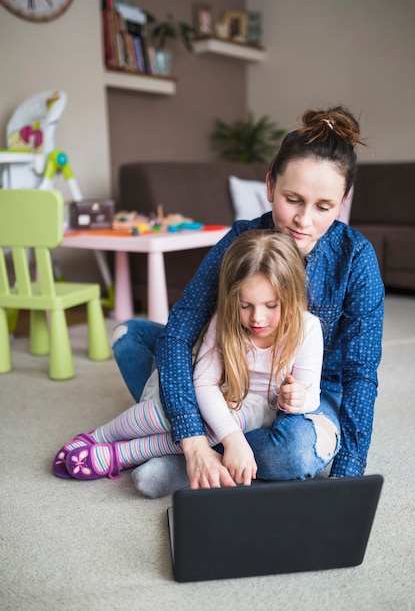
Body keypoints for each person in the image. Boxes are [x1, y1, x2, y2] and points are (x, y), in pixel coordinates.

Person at [112, 105, 385, 497]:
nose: (303, 220)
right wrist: (192, 434)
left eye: (323, 207)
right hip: (232, 380)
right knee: (130, 336)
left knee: (293, 453)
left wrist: (345, 479)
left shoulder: (356, 258)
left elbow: (361, 374)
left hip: (309, 395)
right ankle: (197, 447)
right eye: (293, 199)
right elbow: (178, 334)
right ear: (271, 186)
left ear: (341, 203)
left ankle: (188, 458)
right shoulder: (241, 240)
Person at [52, 231, 323, 484]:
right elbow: (203, 383)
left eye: (271, 306)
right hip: (220, 394)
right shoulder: (225, 321)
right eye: (245, 305)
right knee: (176, 407)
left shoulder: (307, 328)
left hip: (256, 410)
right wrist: (232, 440)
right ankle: (97, 437)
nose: (257, 318)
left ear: (291, 297)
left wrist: (298, 399)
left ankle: (122, 455)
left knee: (219, 422)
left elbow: (312, 393)